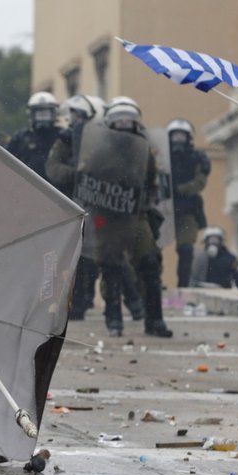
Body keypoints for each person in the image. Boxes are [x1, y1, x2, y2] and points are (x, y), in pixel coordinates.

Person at [76, 101, 172, 337]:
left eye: (129, 125)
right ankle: (114, 319)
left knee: (150, 262)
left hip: (137, 214)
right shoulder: (99, 151)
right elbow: (87, 179)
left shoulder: (145, 151)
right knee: (111, 266)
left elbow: (151, 182)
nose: (125, 130)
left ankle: (155, 320)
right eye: (120, 125)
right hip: (108, 216)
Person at [46, 95, 104, 319]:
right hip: (70, 203)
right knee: (74, 255)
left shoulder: (102, 139)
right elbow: (52, 168)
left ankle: (88, 294)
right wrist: (75, 173)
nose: (75, 120)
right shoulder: (65, 139)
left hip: (97, 203)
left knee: (94, 255)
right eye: (73, 115)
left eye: (80, 116)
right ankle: (77, 301)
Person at [166, 119, 210, 288]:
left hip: (187, 209)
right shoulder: (160, 156)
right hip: (161, 209)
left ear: (188, 138)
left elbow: (200, 182)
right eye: (175, 135)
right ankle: (150, 286)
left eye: (181, 136)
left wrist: (179, 189)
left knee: (186, 250)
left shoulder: (197, 158)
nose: (178, 139)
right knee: (149, 250)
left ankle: (183, 286)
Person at [7, 92, 60, 180]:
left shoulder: (62, 136)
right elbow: (8, 162)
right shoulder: (21, 137)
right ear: (31, 114)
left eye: (46, 114)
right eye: (40, 114)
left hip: (57, 189)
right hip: (28, 185)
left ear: (54, 114)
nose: (43, 118)